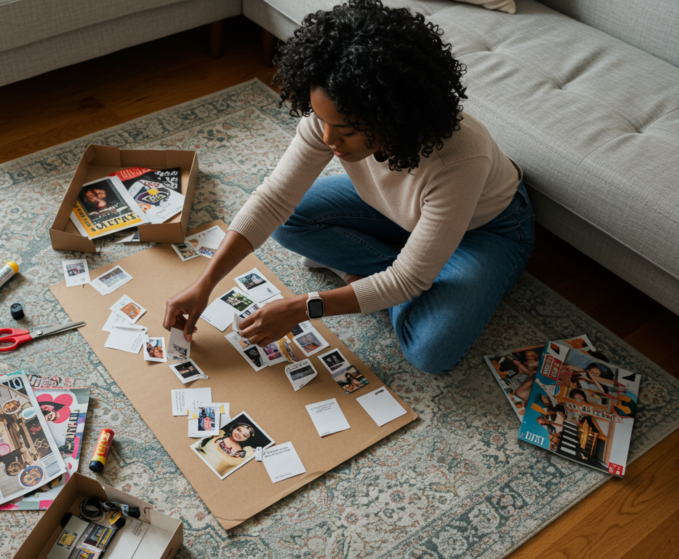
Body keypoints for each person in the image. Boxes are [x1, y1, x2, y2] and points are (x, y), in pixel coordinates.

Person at [163, 0, 533, 374]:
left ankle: (396, 274)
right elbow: (274, 200)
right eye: (321, 120)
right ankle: (400, 274)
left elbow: (409, 279)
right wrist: (205, 282)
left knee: (430, 351)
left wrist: (304, 306)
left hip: (486, 229)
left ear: (394, 119)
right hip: (396, 210)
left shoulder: (460, 157)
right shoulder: (333, 114)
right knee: (290, 221)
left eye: (347, 131)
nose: (328, 139)